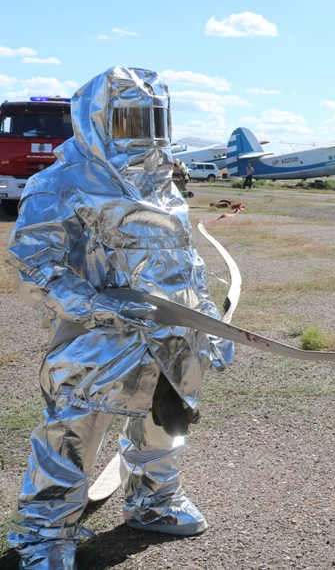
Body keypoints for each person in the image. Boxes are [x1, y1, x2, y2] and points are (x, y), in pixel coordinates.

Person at [6, 67, 233, 570]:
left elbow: (184, 257)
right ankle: (42, 535)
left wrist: (208, 318)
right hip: (98, 341)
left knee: (164, 426)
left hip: (176, 335)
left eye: (155, 119)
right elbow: (34, 264)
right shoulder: (61, 183)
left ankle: (154, 499)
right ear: (96, 120)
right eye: (130, 119)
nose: (145, 134)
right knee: (73, 432)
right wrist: (100, 307)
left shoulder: (162, 183)